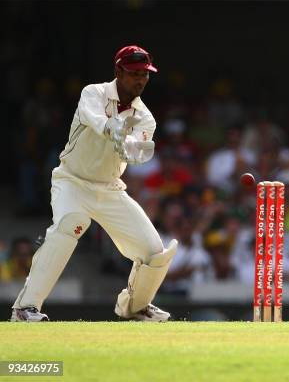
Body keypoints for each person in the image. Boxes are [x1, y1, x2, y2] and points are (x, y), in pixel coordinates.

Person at [11, 45, 178, 322]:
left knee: (153, 252)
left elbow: (135, 152)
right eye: (135, 73)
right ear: (118, 72)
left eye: (145, 74)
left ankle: (135, 307)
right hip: (72, 181)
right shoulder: (93, 93)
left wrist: (131, 146)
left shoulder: (145, 116)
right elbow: (94, 118)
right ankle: (25, 308)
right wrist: (112, 128)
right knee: (69, 225)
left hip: (109, 188)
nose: (141, 80)